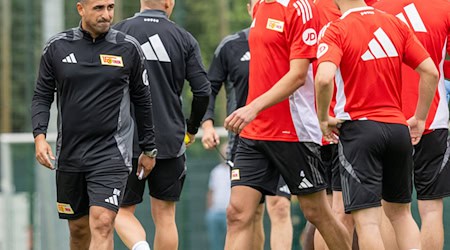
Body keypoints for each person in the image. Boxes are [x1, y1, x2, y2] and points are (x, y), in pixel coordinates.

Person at [223, 0, 351, 249]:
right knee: (236, 214)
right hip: (254, 133)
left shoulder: (300, 8)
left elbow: (298, 75)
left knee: (316, 213)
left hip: (293, 133)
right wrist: (253, 112)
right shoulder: (259, 5)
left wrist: (253, 107)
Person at [31, 0, 157, 249]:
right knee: (78, 231)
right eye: (99, 8)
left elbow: (143, 101)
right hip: (70, 154)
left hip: (110, 154)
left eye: (110, 7)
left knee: (102, 222)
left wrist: (148, 148)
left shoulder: (127, 48)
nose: (106, 14)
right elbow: (41, 95)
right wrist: (40, 136)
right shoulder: (57, 47)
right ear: (81, 9)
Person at [315, 0, 439, 248]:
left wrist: (323, 119)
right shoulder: (395, 24)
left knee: (368, 222)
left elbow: (323, 78)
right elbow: (431, 72)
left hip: (360, 131)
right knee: (402, 215)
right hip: (398, 129)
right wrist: (420, 117)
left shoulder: (336, 29)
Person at [112, 0, 211, 250]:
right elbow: (202, 92)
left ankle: (139, 247)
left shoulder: (119, 32)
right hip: (170, 140)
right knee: (166, 217)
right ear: (169, 2)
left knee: (120, 211)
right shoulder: (184, 38)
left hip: (128, 140)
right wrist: (191, 129)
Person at [201, 0, 293, 249]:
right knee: (248, 213)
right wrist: (208, 125)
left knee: (280, 206)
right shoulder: (230, 46)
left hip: (281, 136)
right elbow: (208, 88)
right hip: (243, 142)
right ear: (250, 8)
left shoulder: (285, 39)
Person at [372, 1, 450, 249]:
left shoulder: (374, 8)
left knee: (390, 209)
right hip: (432, 118)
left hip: (385, 120)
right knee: (431, 209)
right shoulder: (444, 6)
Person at [205, 143, 231, 250]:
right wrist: (209, 210)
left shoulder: (235, 171)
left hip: (230, 213)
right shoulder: (215, 171)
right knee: (215, 243)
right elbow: (211, 192)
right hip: (215, 212)